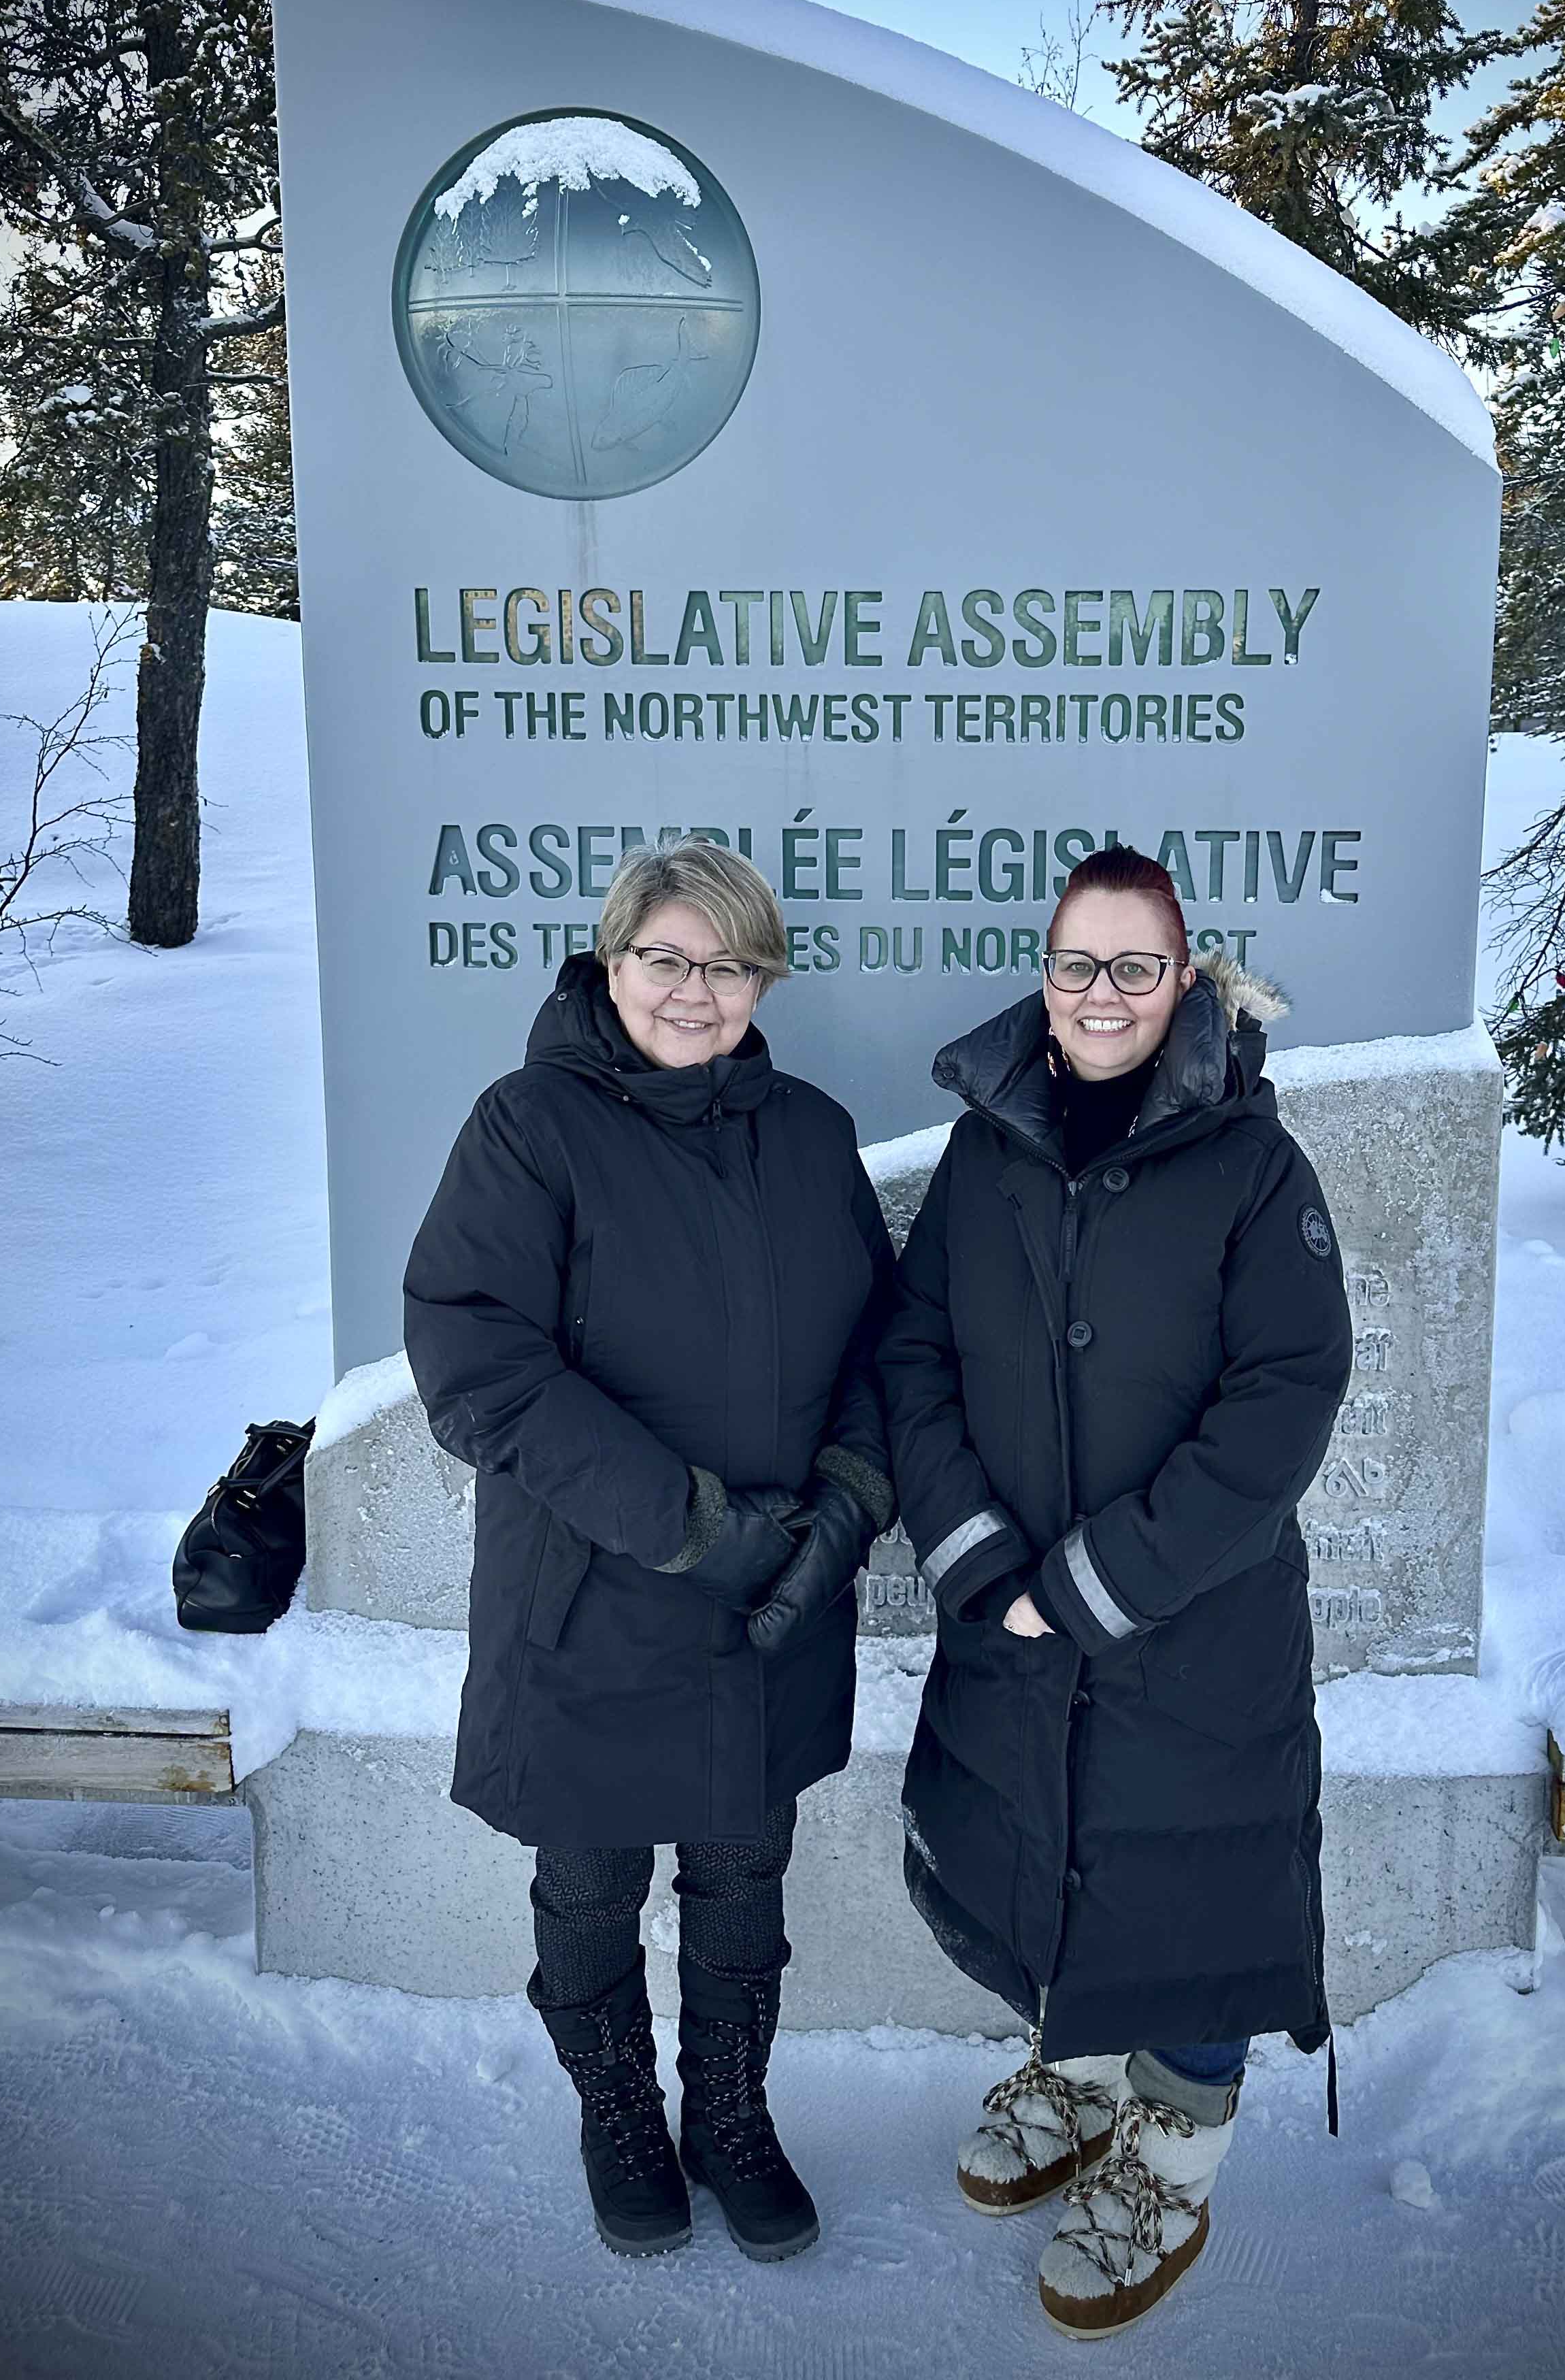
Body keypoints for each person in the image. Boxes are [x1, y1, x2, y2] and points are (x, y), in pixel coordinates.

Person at [880, 846, 1353, 2339]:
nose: (1103, 994)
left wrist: (1095, 1585)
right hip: (1012, 1614)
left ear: (1186, 975)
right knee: (1050, 1849)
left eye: (1135, 966)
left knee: (1196, 1878)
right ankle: (1080, 2071)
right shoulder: (985, 1155)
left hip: (1191, 1630)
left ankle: (1174, 2148)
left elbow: (1285, 1403)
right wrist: (977, 1559)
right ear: (1046, 973)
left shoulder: (1257, 1168)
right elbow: (915, 1359)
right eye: (1078, 964)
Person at [403, 838, 896, 2266]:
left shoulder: (809, 1132)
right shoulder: (530, 1126)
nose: (696, 991)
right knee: (590, 1885)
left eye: (728, 963)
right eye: (666, 958)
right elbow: (476, 1358)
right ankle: (618, 2115)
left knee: (746, 1878)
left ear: (763, 979)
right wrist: (689, 1525)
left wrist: (849, 1504)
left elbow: (886, 1342)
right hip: (592, 1597)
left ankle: (730, 2116)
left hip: (775, 1598)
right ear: (611, 961)